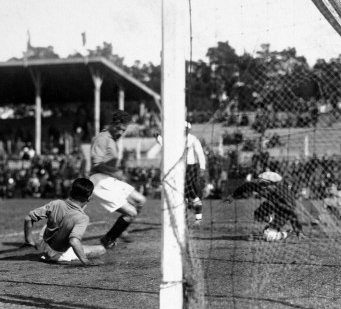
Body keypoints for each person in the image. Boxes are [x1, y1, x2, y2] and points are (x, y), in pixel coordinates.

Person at [89, 110, 147, 249]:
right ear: (112, 124)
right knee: (131, 212)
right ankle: (108, 239)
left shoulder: (111, 139)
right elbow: (96, 164)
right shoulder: (102, 138)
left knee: (140, 201)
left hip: (109, 178)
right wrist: (115, 172)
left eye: (123, 130)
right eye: (119, 128)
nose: (121, 132)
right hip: (100, 181)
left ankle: (121, 229)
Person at [22, 177, 105, 265]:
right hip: (57, 254)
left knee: (58, 220)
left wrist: (29, 241)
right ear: (89, 197)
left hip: (43, 244)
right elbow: (74, 241)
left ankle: (42, 247)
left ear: (70, 192)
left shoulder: (56, 203)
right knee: (101, 249)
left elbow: (28, 218)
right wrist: (85, 261)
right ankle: (57, 255)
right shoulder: (83, 218)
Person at [225, 171, 306, 241]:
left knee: (268, 236)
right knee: (258, 215)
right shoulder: (262, 187)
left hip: (284, 211)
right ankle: (272, 222)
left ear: (275, 184)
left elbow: (292, 214)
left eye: (264, 184)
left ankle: (287, 233)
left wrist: (298, 231)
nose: (260, 186)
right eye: (260, 183)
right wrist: (232, 196)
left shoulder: (283, 197)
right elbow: (246, 186)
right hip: (272, 203)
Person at [154, 121, 207, 225]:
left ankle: (198, 218)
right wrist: (158, 138)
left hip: (191, 168)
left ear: (189, 129)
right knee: (182, 194)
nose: (184, 130)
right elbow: (166, 145)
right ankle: (186, 219)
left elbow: (200, 154)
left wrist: (202, 167)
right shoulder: (176, 139)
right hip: (179, 168)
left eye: (186, 128)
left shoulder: (193, 139)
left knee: (190, 192)